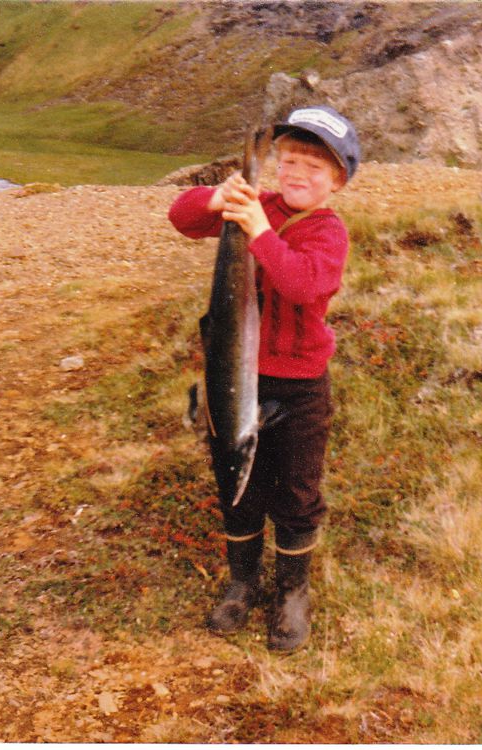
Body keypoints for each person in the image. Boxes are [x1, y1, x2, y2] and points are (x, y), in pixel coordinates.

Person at [168, 105, 360, 652]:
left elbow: (302, 284)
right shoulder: (258, 205)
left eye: (314, 167)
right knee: (238, 485)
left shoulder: (327, 232)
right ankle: (241, 582)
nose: (298, 174)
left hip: (298, 385)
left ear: (338, 182)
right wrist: (216, 199)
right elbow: (182, 218)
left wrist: (258, 232)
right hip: (234, 373)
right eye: (289, 160)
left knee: (297, 491)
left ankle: (292, 591)